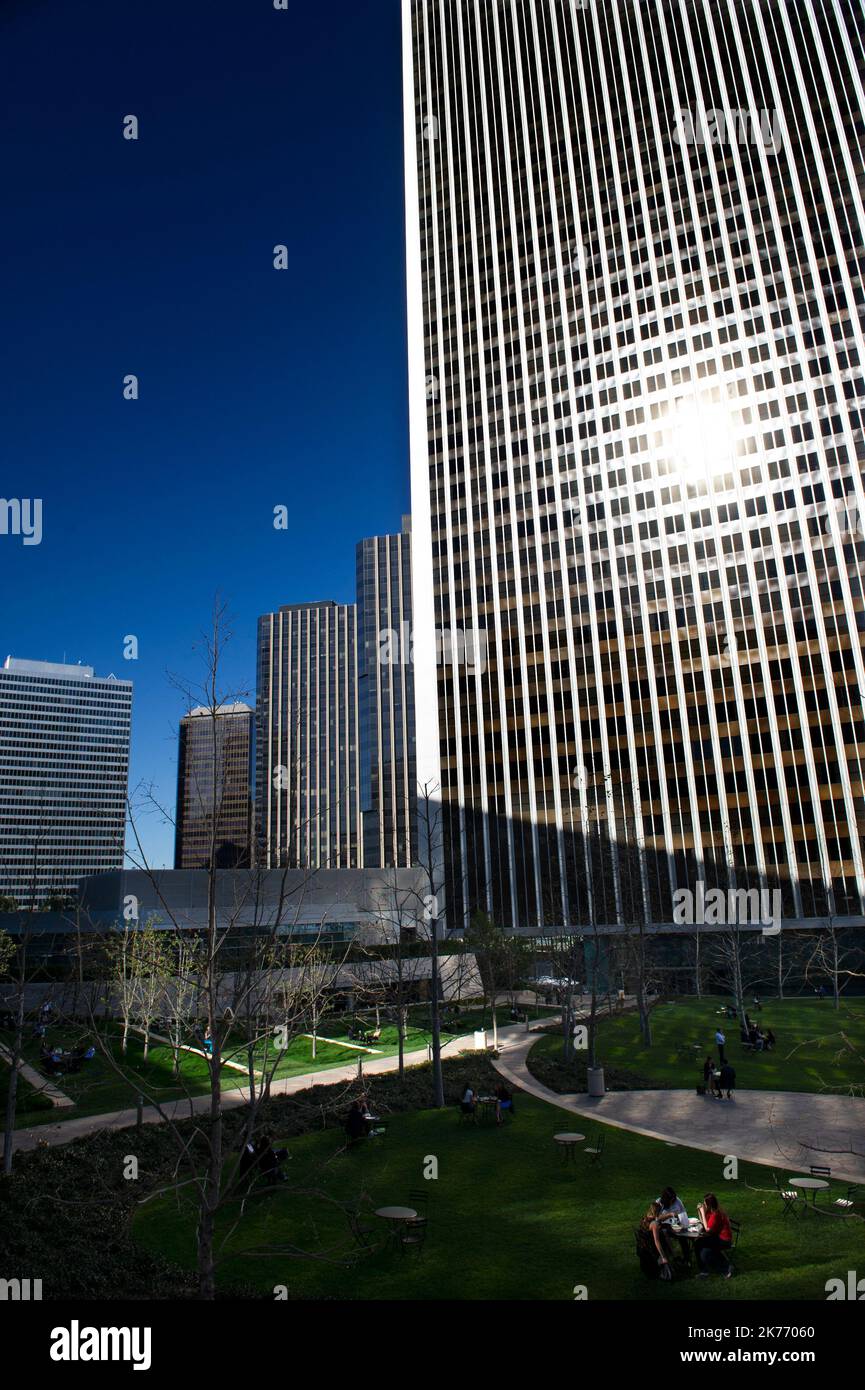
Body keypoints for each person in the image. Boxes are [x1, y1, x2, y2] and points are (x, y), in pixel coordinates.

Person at [696, 1193, 733, 1278]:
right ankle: (725, 1267)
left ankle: (706, 1271)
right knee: (702, 1247)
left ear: (709, 1204)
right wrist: (700, 1212)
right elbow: (704, 1223)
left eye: (705, 1203)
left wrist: (702, 1211)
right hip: (717, 1237)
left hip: (724, 1240)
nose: (703, 1205)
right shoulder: (713, 1211)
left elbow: (707, 1229)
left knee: (700, 1245)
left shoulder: (716, 1214)